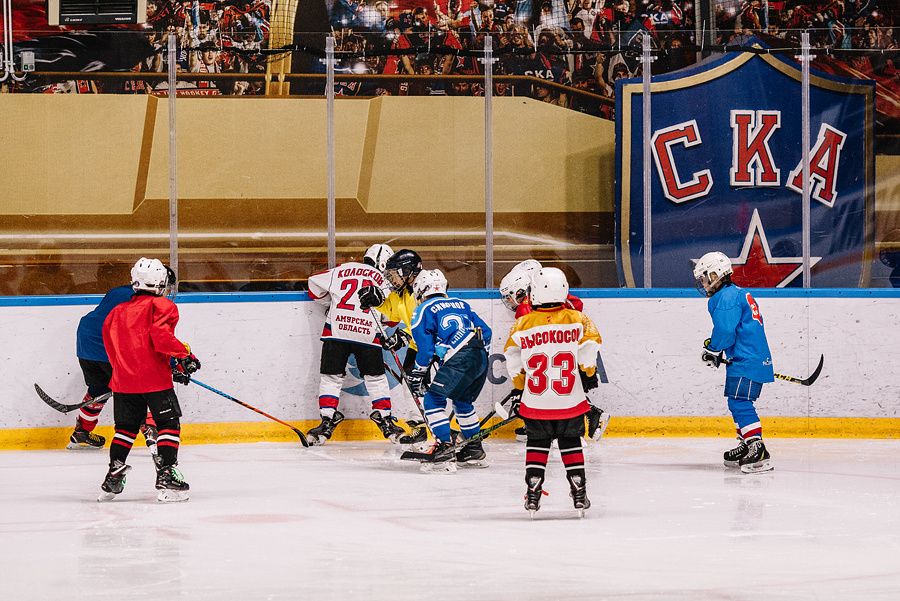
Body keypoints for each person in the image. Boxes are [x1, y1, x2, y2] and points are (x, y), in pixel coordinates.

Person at [99, 258, 200, 503]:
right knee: (168, 423)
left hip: (123, 381)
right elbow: (160, 337)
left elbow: (111, 348)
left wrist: (124, 371)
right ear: (160, 283)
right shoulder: (162, 305)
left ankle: (113, 475)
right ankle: (166, 474)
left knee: (125, 428)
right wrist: (184, 356)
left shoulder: (116, 311)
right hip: (154, 381)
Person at [503, 267, 601, 517]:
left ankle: (533, 492)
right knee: (571, 443)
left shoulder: (522, 323)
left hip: (535, 402)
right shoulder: (579, 319)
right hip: (570, 401)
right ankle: (579, 491)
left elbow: (513, 360)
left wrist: (520, 387)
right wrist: (587, 373)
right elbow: (589, 352)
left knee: (537, 443)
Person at [305, 243, 407, 445]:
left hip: (336, 332)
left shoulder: (342, 269)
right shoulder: (384, 280)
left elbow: (313, 286)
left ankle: (327, 420)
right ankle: (385, 419)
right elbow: (391, 318)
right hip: (367, 334)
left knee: (331, 378)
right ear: (384, 263)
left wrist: (331, 303)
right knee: (376, 379)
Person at [498, 260, 609, 442]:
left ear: (521, 290)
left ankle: (585, 419)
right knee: (561, 388)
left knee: (551, 389)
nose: (509, 302)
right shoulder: (560, 300)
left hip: (555, 353)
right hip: (568, 351)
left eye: (510, 296)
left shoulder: (527, 309)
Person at [693, 251, 775, 474]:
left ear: (714, 275)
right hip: (749, 357)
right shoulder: (736, 293)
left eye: (703, 278)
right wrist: (716, 346)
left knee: (740, 403)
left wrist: (712, 349)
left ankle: (757, 448)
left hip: (745, 360)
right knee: (736, 402)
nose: (703, 283)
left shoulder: (725, 297)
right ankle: (746, 443)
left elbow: (726, 330)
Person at [406, 269, 492, 470]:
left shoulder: (422, 309)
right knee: (462, 402)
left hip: (459, 357)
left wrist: (418, 372)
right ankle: (473, 449)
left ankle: (444, 447)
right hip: (480, 354)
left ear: (421, 290)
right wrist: (475, 352)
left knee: (433, 400)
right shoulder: (462, 304)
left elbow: (425, 350)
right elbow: (486, 332)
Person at [68, 283, 160, 466]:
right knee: (143, 387)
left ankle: (81, 432)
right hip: (107, 343)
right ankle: (151, 431)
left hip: (86, 340)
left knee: (99, 389)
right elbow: (146, 335)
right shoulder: (147, 301)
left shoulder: (118, 290)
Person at [358, 249, 428, 444]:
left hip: (437, 345)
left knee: (437, 387)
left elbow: (431, 322)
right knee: (410, 382)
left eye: (394, 275)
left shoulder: (425, 288)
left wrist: (404, 336)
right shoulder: (403, 293)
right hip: (418, 345)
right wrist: (377, 300)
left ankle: (456, 427)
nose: (392, 280)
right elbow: (391, 310)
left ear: (407, 271)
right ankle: (419, 428)